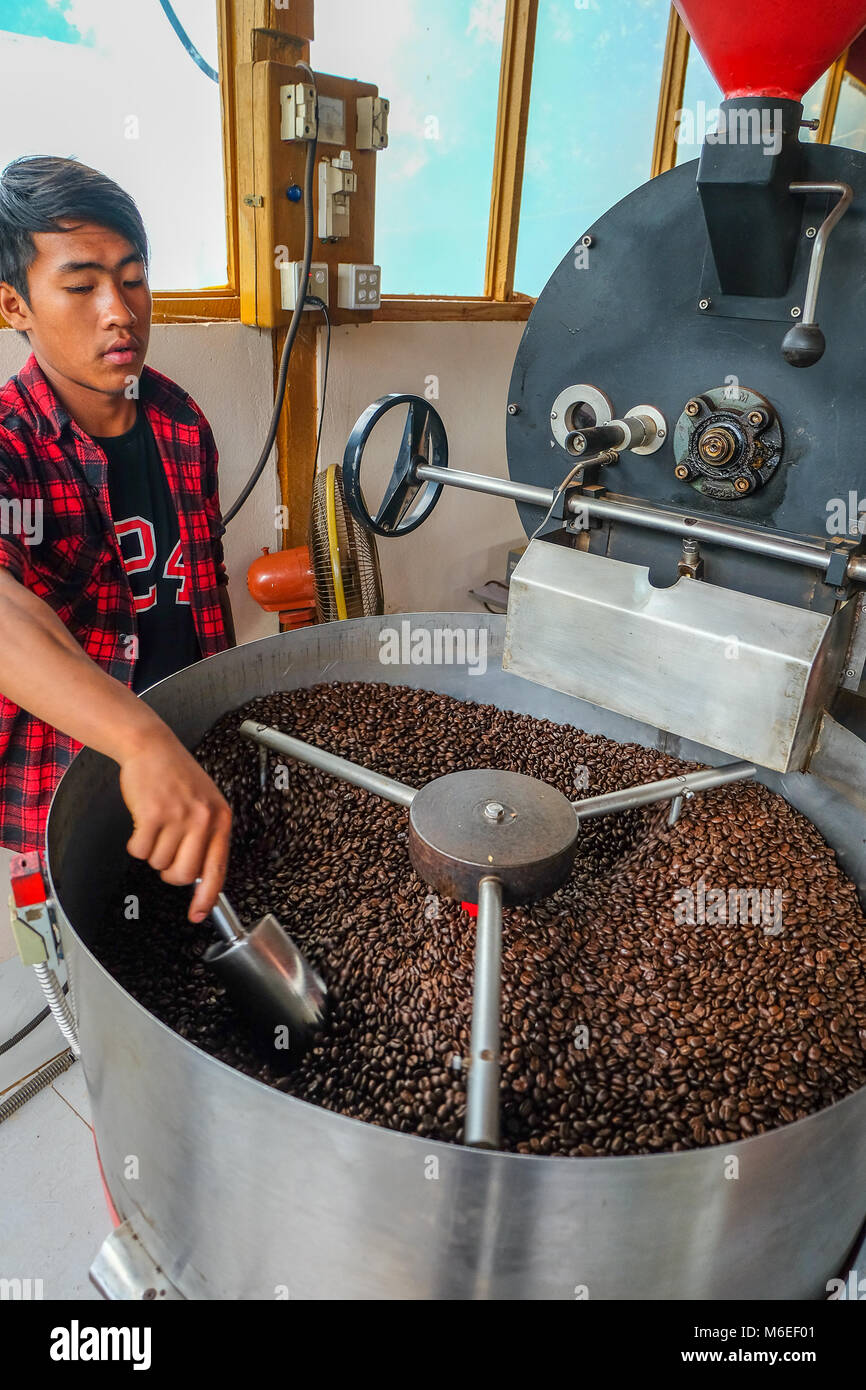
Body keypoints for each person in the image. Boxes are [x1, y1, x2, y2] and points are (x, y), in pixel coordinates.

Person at [0, 156, 234, 923]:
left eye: (133, 278)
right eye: (81, 285)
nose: (119, 310)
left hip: (199, 753)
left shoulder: (179, 420)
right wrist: (139, 741)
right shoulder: (11, 445)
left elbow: (206, 586)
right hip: (78, 786)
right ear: (14, 305)